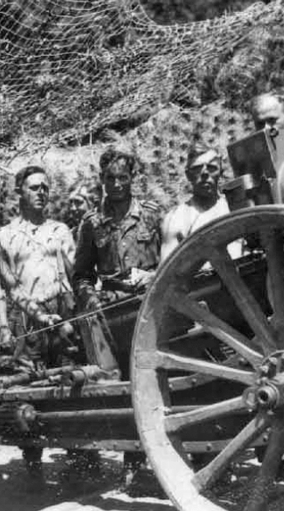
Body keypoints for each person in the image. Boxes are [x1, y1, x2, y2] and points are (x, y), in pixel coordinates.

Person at [73, 147, 163, 483]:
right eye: (109, 178)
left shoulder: (152, 214)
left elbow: (171, 258)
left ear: (132, 178)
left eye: (122, 177)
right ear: (102, 179)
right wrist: (91, 299)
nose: (116, 184)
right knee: (123, 385)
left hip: (150, 306)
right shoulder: (92, 223)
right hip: (111, 314)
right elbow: (81, 275)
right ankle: (133, 464)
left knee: (156, 377)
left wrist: (151, 277)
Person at [0, 165, 76, 374]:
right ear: (19, 192)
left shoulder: (60, 230)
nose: (41, 193)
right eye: (34, 188)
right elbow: (3, 287)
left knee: (68, 373)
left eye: (45, 188)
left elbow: (75, 275)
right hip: (26, 318)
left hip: (61, 314)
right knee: (31, 377)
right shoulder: (5, 235)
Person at [160, 143, 232, 261]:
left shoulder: (235, 207)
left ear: (220, 172)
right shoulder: (176, 219)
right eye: (197, 169)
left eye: (212, 168)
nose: (205, 173)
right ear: (188, 175)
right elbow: (168, 268)